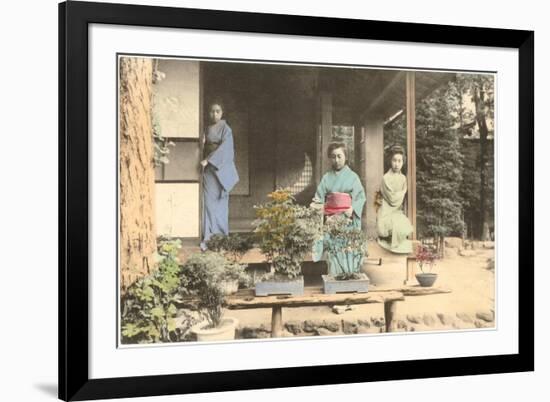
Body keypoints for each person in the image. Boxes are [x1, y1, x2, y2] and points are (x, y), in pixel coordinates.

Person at [312, 142, 366, 276]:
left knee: (348, 244)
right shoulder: (326, 178)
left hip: (348, 220)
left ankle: (349, 275)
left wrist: (353, 208)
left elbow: (360, 197)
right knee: (331, 243)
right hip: (331, 220)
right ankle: (334, 276)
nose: (336, 160)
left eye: (339, 156)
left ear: (346, 157)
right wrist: (321, 210)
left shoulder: (353, 177)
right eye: (333, 157)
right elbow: (318, 198)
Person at [200, 101, 239, 250]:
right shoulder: (205, 128)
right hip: (208, 171)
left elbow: (226, 149)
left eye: (217, 111)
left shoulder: (225, 128)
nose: (214, 114)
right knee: (208, 203)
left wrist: (209, 159)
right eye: (211, 111)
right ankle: (209, 235)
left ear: (222, 113)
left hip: (219, 170)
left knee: (220, 203)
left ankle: (221, 235)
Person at [376, 145, 413, 253]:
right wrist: (401, 194)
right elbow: (392, 199)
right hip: (386, 211)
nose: (397, 164)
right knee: (394, 224)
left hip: (397, 211)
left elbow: (401, 198)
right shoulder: (386, 178)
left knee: (403, 224)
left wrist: (400, 194)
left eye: (399, 161)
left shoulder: (403, 178)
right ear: (390, 161)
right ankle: (387, 240)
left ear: (403, 162)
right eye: (394, 160)